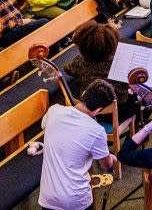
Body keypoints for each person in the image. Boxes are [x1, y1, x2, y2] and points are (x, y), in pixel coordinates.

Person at [39, 79, 118, 210]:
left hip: (48, 196)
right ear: (99, 110)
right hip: (76, 200)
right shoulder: (97, 131)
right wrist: (112, 158)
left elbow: (44, 126)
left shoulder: (54, 110)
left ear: (85, 93)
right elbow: (105, 165)